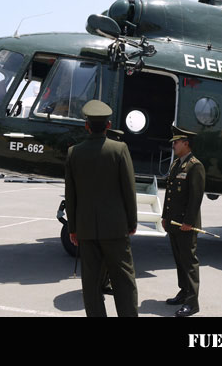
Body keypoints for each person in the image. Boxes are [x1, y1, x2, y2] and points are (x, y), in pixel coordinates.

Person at [65, 100, 139, 317]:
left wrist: (73, 228)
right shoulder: (119, 149)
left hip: (86, 230)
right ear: (108, 126)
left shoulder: (73, 153)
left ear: (87, 126)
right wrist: (132, 222)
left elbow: (71, 195)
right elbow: (129, 190)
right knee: (124, 282)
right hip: (115, 229)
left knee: (91, 285)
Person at [162, 125, 205, 317]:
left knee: (189, 262)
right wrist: (165, 217)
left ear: (186, 144)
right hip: (174, 223)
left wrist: (188, 221)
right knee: (179, 261)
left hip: (186, 225)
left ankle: (192, 302)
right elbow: (169, 194)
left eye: (176, 142)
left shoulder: (195, 166)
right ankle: (183, 291)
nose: (173, 145)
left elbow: (195, 198)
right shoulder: (176, 164)